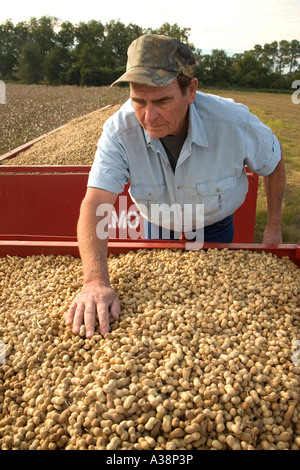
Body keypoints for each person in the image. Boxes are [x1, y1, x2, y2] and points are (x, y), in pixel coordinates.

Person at [65, 34, 286, 338]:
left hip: (215, 223)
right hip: (159, 223)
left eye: (162, 101)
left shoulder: (233, 123)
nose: (149, 116)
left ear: (190, 90)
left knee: (221, 306)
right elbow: (96, 202)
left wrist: (273, 226)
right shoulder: (119, 130)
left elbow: (273, 163)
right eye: (138, 101)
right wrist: (95, 282)